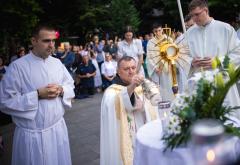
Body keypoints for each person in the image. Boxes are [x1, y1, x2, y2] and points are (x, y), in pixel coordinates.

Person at [0, 25, 75, 165]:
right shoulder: (17, 67)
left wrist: (61, 90)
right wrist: (37, 95)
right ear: (34, 41)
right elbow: (5, 102)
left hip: (57, 130)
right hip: (31, 136)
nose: (51, 45)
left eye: (53, 41)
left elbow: (70, 85)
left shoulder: (57, 63)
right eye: (46, 41)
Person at [100, 56, 158, 165]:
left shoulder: (141, 86)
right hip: (124, 138)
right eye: (126, 69)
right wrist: (132, 87)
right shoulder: (111, 91)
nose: (131, 72)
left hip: (142, 134)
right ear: (118, 72)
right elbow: (119, 101)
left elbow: (151, 106)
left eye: (133, 68)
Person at [186, 0, 240, 117]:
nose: (194, 19)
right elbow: (184, 56)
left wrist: (218, 61)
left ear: (205, 10)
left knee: (227, 117)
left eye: (197, 14)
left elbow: (237, 53)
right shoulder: (189, 33)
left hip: (221, 80)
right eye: (192, 15)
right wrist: (192, 62)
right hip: (199, 84)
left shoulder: (225, 28)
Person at [146, 23, 190, 101]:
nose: (158, 33)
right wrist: (155, 68)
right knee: (162, 87)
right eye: (156, 31)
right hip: (159, 69)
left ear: (162, 30)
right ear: (153, 32)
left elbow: (174, 52)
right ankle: (164, 103)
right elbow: (149, 57)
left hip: (170, 66)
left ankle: (175, 101)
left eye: (159, 30)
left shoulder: (169, 39)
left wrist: (174, 63)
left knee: (172, 85)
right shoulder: (151, 43)